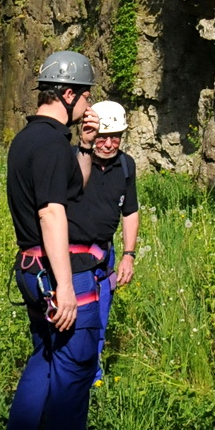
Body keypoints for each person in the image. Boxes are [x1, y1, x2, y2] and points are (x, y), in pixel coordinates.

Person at [0, 50, 101, 430]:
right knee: (75, 368)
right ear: (69, 94)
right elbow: (52, 213)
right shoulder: (51, 146)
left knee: (44, 358)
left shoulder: (29, 140)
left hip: (29, 268)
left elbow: (74, 186)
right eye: (87, 98)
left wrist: (87, 145)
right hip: (54, 272)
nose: (90, 107)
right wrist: (67, 288)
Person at [72, 99, 139, 384]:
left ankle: (92, 378)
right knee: (73, 321)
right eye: (102, 137)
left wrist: (128, 255)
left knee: (99, 321)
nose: (109, 144)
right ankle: (69, 377)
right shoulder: (72, 159)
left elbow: (131, 211)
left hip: (104, 257)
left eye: (115, 137)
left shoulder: (125, 166)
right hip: (72, 258)